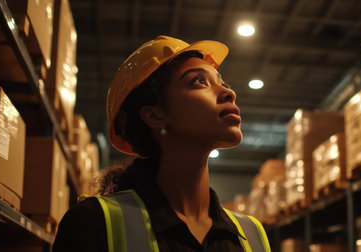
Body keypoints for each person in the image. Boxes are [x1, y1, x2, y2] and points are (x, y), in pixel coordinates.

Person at [53, 35, 271, 252]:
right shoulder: (92, 224)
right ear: (154, 115)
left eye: (222, 83)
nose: (229, 93)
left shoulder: (252, 235)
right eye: (200, 81)